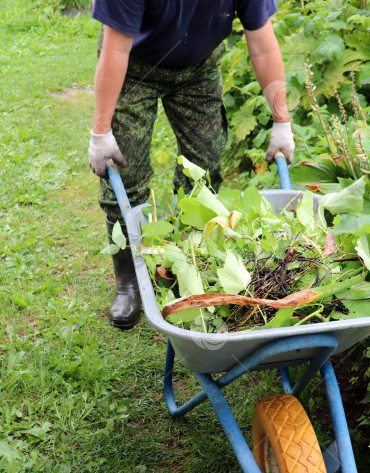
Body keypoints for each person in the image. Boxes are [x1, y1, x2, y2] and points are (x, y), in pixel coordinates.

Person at [88, 0, 296, 329]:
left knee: (204, 169)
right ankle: (130, 282)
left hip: (198, 68)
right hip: (134, 64)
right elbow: (114, 52)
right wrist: (101, 131)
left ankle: (184, 262)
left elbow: (263, 47)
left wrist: (282, 121)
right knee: (124, 171)